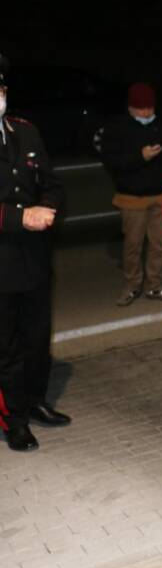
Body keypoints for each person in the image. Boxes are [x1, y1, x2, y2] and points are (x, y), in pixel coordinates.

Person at [0, 52, 71, 452]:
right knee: (5, 345)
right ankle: (14, 420)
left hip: (34, 257)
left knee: (36, 337)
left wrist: (49, 210)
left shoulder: (25, 132)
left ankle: (35, 401)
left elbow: (53, 183)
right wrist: (19, 217)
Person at [98, 82, 162, 306]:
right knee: (133, 245)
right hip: (131, 197)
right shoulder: (117, 128)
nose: (145, 113)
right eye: (140, 108)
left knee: (159, 244)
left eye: (149, 108)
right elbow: (113, 162)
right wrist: (140, 156)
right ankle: (132, 286)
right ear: (131, 107)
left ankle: (155, 285)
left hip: (159, 196)